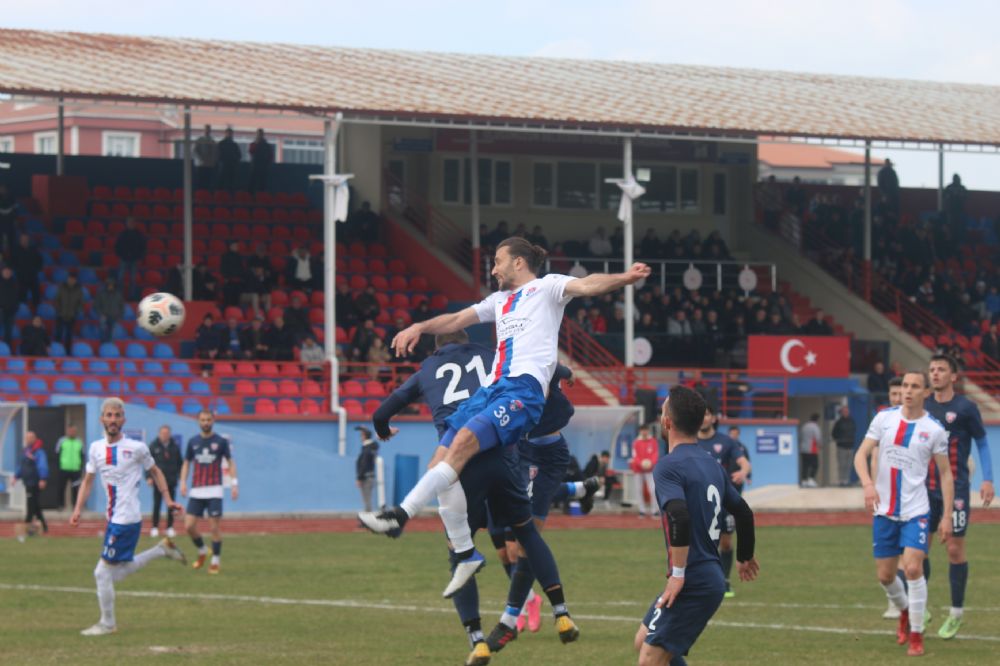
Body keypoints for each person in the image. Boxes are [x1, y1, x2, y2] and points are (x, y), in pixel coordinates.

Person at [359, 237, 650, 590]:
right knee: (440, 457)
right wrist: (420, 327)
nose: (493, 268)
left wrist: (624, 277)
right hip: (490, 391)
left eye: (497, 261)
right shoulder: (498, 301)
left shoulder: (548, 288)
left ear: (518, 263)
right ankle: (466, 553)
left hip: (522, 393)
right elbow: (455, 319)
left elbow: (588, 284)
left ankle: (398, 516)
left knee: (463, 443)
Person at [370, 330, 584, 662]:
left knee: (459, 548)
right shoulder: (494, 355)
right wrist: (566, 374)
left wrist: (383, 430)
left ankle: (477, 640)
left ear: (439, 346)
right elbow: (544, 365)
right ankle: (562, 612)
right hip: (505, 457)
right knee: (526, 533)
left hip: (461, 464)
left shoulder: (428, 368)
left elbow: (382, 412)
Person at [634, 386, 759, 666]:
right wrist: (744, 555)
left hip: (694, 580)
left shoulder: (668, 466)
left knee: (649, 661)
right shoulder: (712, 464)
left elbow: (678, 515)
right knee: (643, 640)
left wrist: (678, 574)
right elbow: (743, 511)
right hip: (706, 575)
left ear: (666, 422)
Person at [853, 371, 953, 657]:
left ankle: (917, 636)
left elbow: (945, 473)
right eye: (905, 386)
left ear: (925, 393)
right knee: (885, 576)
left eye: (914, 387)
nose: (908, 391)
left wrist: (946, 516)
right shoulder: (884, 419)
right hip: (884, 511)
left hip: (916, 510)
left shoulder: (933, 429)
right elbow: (861, 454)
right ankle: (906, 612)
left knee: (912, 568)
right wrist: (868, 485)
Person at [69, 398, 187, 636]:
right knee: (118, 571)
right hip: (113, 518)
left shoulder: (137, 448)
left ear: (123, 419)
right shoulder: (96, 448)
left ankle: (108, 624)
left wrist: (168, 499)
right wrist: (77, 509)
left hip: (126, 519)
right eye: (109, 415)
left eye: (117, 415)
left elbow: (156, 471)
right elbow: (88, 481)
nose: (113, 420)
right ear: (102, 418)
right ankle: (161, 550)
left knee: (102, 573)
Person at [923, 354, 994, 639]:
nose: (935, 373)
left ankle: (956, 614)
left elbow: (982, 442)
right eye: (932, 369)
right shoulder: (922, 405)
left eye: (941, 369)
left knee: (954, 550)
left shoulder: (966, 408)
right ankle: (921, 607)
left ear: (953, 376)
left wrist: (988, 479)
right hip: (924, 489)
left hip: (958, 490)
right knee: (918, 550)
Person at [695, 404, 751, 597]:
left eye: (707, 414)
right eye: (700, 416)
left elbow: (744, 462)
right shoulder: (690, 442)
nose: (703, 419)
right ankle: (705, 581)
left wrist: (743, 471)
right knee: (703, 544)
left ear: (713, 418)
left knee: (726, 543)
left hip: (724, 502)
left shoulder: (726, 442)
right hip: (700, 502)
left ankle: (725, 581)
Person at [180, 410, 239, 575]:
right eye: (202, 420)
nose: (205, 422)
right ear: (198, 421)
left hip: (214, 490)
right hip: (197, 490)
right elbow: (186, 463)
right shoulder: (193, 442)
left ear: (213, 420)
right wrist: (183, 482)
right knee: (189, 525)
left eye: (208, 420)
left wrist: (234, 484)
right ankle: (202, 550)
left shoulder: (220, 442)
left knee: (214, 528)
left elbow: (230, 462)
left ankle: (215, 561)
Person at [148, 425, 183, 538]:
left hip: (171, 480)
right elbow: (148, 464)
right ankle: (154, 527)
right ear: (159, 434)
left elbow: (180, 463)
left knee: (171, 505)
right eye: (163, 433)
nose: (165, 435)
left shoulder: (175, 447)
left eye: (167, 433)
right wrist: (149, 477)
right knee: (157, 505)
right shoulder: (153, 446)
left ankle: (170, 527)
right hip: (157, 482)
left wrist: (179, 476)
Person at [14, 431, 48, 541]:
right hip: (27, 481)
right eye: (27, 438)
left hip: (35, 481)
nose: (28, 439)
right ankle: (44, 526)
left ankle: (28, 525)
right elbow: (22, 466)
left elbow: (42, 465)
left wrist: (42, 478)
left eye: (30, 437)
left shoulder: (38, 452)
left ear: (34, 438)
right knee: (35, 504)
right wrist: (16, 476)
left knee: (31, 504)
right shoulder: (26, 451)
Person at [630, 425, 660, 518]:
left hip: (650, 470)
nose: (644, 432)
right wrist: (641, 464)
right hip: (638, 470)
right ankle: (642, 510)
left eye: (646, 430)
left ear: (648, 431)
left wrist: (651, 463)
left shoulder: (653, 441)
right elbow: (635, 456)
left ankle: (654, 510)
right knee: (638, 490)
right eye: (642, 430)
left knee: (652, 490)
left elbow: (655, 454)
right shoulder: (636, 442)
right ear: (640, 431)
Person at [114, 218, 146, 301]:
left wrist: (139, 257)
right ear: (127, 224)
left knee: (133, 279)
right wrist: (121, 255)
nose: (130, 224)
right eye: (129, 222)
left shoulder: (139, 234)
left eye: (132, 222)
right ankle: (119, 296)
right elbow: (117, 246)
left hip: (134, 260)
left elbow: (142, 247)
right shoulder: (123, 234)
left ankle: (132, 297)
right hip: (124, 259)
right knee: (120, 278)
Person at [55, 424, 85, 509]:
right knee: (61, 487)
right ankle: (60, 505)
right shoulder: (61, 441)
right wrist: (60, 466)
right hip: (63, 469)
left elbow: (82, 455)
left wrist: (80, 467)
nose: (72, 432)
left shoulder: (80, 442)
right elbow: (57, 454)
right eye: (70, 431)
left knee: (75, 488)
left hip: (76, 469)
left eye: (73, 431)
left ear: (76, 432)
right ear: (67, 431)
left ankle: (75, 505)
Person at [11, 233, 42, 310]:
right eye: (22, 239)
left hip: (33, 276)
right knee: (22, 297)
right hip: (21, 277)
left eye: (25, 239)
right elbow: (12, 262)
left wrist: (36, 269)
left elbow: (39, 260)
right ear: (20, 240)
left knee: (36, 295)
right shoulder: (16, 250)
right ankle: (22, 311)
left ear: (28, 240)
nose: (24, 241)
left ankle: (37, 311)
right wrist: (18, 271)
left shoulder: (33, 249)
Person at [54, 272, 83, 351]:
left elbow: (80, 303)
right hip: (61, 314)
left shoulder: (78, 290)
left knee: (69, 335)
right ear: (68, 279)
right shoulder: (62, 287)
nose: (71, 280)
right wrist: (59, 310)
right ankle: (57, 349)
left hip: (71, 315)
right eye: (70, 279)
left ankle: (67, 350)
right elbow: (57, 299)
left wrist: (76, 312)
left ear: (75, 280)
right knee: (59, 333)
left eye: (73, 279)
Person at [93, 277, 124, 343]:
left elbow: (121, 306)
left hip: (114, 316)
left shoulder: (118, 294)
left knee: (112, 333)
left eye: (112, 285)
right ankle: (103, 343)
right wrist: (100, 314)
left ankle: (109, 345)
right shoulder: (101, 293)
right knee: (102, 331)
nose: (110, 286)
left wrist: (119, 314)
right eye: (109, 284)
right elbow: (96, 305)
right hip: (103, 315)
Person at [832, 405, 857, 486]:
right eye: (844, 411)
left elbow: (854, 430)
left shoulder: (852, 421)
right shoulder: (839, 422)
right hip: (841, 446)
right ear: (842, 412)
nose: (846, 413)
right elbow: (834, 433)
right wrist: (839, 439)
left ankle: (846, 480)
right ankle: (841, 480)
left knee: (848, 464)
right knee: (841, 464)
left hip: (850, 446)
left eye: (847, 411)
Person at [355, 427, 378, 512]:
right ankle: (367, 518)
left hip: (366, 477)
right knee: (367, 499)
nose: (361, 438)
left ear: (364, 436)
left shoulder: (366, 449)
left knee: (366, 499)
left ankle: (368, 519)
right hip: (370, 476)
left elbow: (364, 464)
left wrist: (359, 478)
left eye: (362, 435)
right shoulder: (371, 447)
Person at [248, 128, 273, 193]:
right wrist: (256, 144)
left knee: (262, 184)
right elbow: (251, 152)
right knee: (252, 183)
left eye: (261, 134)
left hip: (263, 167)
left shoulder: (267, 145)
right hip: (255, 166)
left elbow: (270, 155)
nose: (259, 135)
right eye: (258, 134)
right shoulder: (253, 144)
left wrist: (268, 163)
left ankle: (261, 196)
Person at [799, 414, 821, 488]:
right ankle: (811, 479)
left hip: (803, 449)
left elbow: (800, 436)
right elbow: (817, 438)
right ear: (817, 420)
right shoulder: (815, 427)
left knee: (805, 465)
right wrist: (820, 445)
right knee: (815, 465)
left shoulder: (804, 426)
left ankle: (804, 480)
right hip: (812, 449)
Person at [194, 124, 218, 189]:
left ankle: (207, 196)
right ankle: (199, 195)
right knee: (200, 181)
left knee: (208, 182)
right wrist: (201, 159)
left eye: (209, 129)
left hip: (210, 165)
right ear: (204, 130)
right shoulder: (199, 140)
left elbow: (215, 153)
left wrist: (213, 161)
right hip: (201, 165)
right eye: (206, 129)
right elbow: (195, 151)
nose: (208, 131)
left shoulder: (212, 141)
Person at [217, 127, 242, 192]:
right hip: (223, 166)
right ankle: (220, 195)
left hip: (232, 167)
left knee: (231, 183)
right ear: (225, 133)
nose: (230, 134)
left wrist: (234, 161)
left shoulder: (234, 145)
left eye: (231, 133)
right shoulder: (221, 144)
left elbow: (239, 155)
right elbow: (217, 155)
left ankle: (230, 196)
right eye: (228, 133)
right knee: (221, 182)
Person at [0, 265, 18, 348]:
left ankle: (7, 349)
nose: (7, 272)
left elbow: (17, 297)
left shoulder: (14, 283)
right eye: (5, 270)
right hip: (1, 310)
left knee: (9, 332)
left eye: (9, 271)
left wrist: (15, 308)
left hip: (11, 311)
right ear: (2, 272)